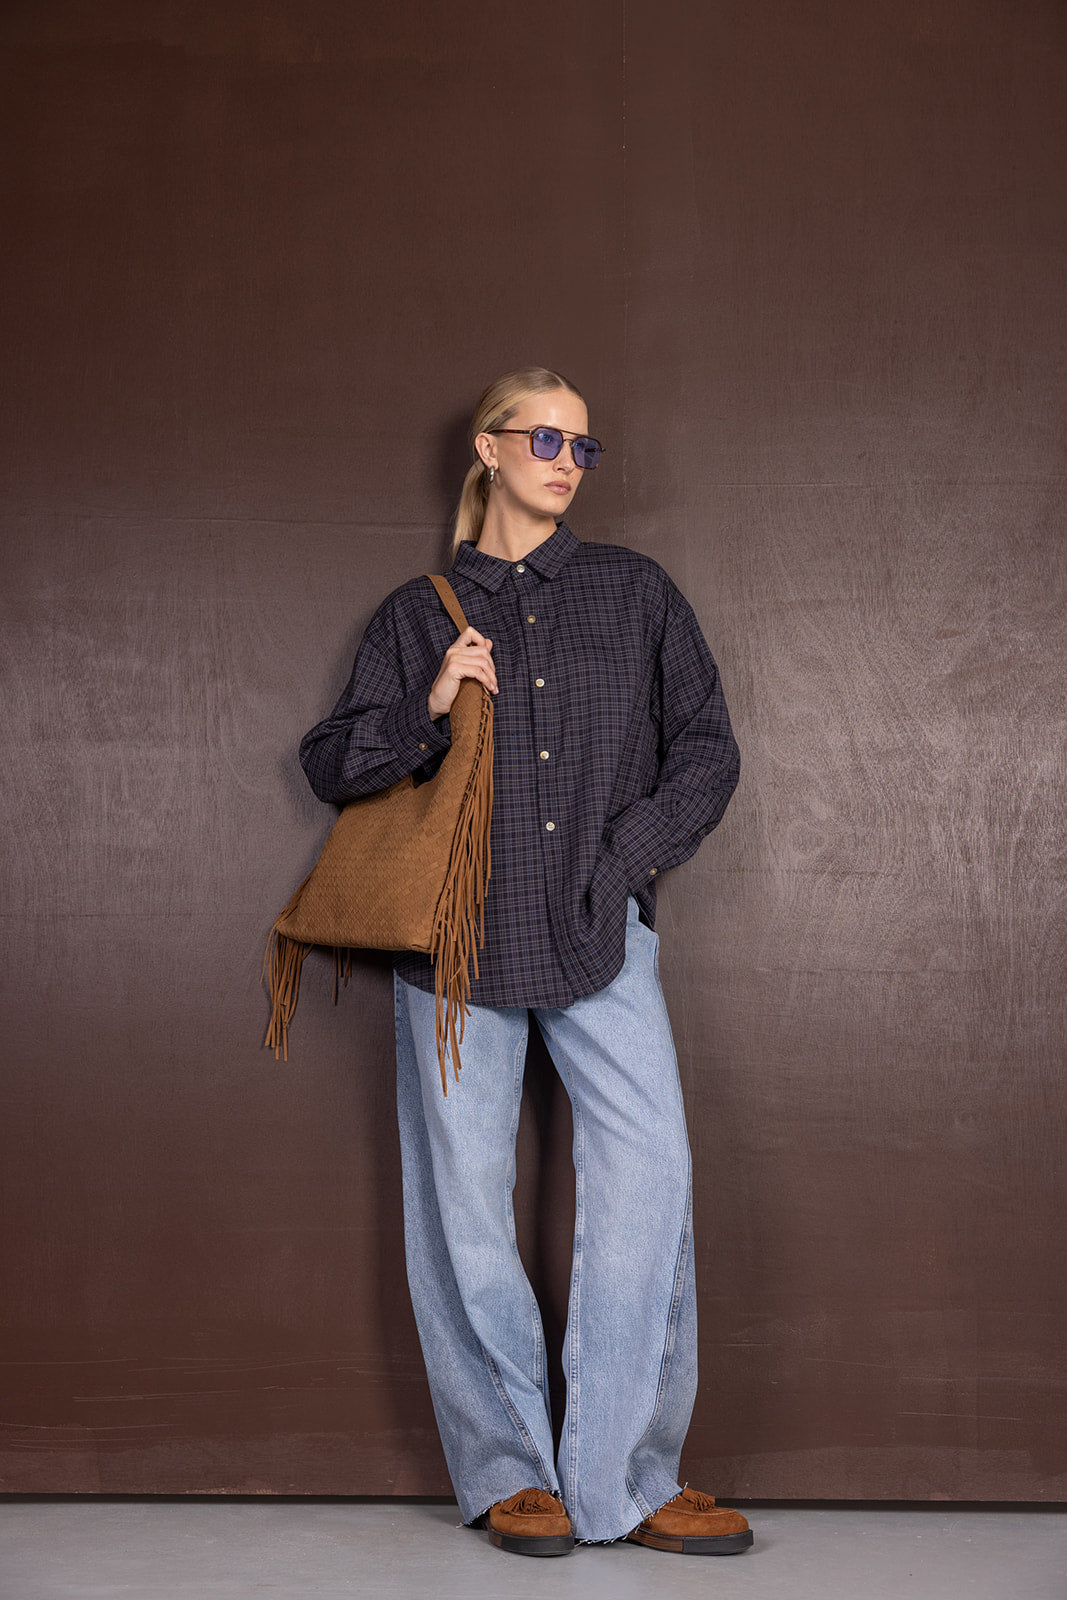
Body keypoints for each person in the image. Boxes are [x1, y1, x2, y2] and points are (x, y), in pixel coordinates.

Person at [298, 367, 750, 1557]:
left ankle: (625, 1477)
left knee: (649, 1177)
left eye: (581, 446)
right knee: (460, 1200)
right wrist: (430, 703)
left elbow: (707, 752)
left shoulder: (636, 593)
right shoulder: (417, 615)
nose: (565, 461)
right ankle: (508, 1470)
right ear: (489, 449)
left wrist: (620, 861)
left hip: (600, 927)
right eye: (544, 439)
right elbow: (331, 762)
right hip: (453, 946)